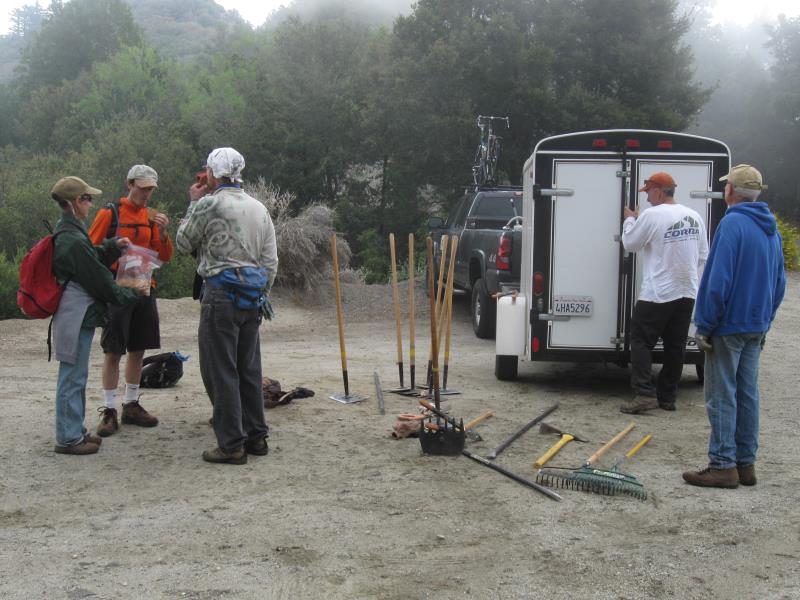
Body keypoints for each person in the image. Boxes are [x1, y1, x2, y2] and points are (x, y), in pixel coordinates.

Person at [683, 165, 785, 489]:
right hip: (756, 325)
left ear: (731, 192)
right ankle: (746, 464)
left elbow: (717, 281)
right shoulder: (771, 229)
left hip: (728, 326)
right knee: (748, 394)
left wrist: (705, 325)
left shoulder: (732, 224)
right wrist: (765, 320)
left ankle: (722, 465)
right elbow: (779, 283)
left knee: (721, 395)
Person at [176, 147, 278, 464]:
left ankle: (232, 444)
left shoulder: (208, 204)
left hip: (220, 294)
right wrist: (260, 293)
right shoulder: (259, 208)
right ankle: (256, 436)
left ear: (212, 173)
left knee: (222, 370)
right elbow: (270, 261)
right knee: (248, 369)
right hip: (252, 296)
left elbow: (183, 243)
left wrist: (193, 202)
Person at [49, 176, 148, 455]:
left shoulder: (71, 232)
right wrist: (133, 292)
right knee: (72, 377)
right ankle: (68, 439)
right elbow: (101, 283)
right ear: (73, 203)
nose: (90, 203)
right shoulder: (72, 240)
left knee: (75, 374)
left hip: (74, 313)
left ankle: (75, 432)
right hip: (75, 314)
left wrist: (112, 246)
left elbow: (92, 258)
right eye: (86, 198)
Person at [87, 165, 173, 436]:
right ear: (130, 184)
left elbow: (164, 256)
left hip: (145, 289)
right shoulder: (109, 213)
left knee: (138, 349)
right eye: (143, 187)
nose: (147, 193)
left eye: (151, 189)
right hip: (117, 291)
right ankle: (110, 410)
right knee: (113, 351)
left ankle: (131, 405)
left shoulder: (152, 217)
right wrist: (114, 248)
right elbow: (90, 251)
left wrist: (163, 234)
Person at [620, 172, 709, 414]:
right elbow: (703, 255)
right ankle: (667, 398)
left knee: (640, 340)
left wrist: (630, 220)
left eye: (648, 192)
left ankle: (644, 394)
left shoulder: (652, 215)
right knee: (675, 346)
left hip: (657, 292)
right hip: (687, 291)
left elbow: (630, 244)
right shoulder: (693, 216)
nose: (647, 198)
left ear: (659, 190)